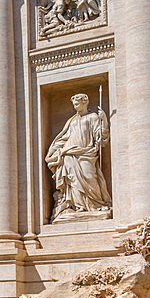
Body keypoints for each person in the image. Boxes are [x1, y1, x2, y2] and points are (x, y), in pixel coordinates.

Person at [45, 93, 112, 221]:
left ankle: (96, 204)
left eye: (77, 103)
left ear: (85, 102)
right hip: (69, 153)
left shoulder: (92, 117)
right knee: (73, 181)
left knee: (89, 177)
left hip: (86, 152)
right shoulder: (72, 120)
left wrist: (103, 121)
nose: (75, 106)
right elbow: (64, 137)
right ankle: (78, 206)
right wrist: (54, 150)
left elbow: (100, 138)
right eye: (74, 104)